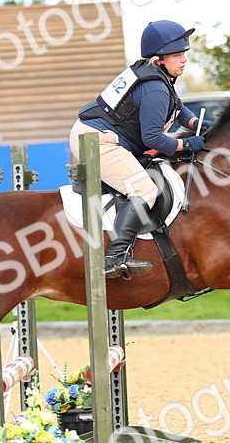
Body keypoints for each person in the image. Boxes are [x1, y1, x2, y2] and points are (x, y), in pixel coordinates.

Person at [70, 19, 212, 280]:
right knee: (144, 188)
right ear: (160, 58)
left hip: (103, 135)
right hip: (96, 141)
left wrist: (197, 124)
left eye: (184, 53)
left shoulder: (158, 76)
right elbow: (153, 140)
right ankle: (115, 256)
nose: (184, 60)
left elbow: (179, 108)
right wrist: (184, 143)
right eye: (177, 55)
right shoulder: (155, 87)